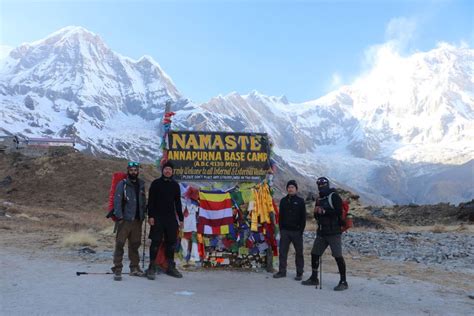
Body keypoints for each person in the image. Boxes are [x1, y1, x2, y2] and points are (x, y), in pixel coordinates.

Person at [301, 176, 348, 291]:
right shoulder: (319, 199)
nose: (321, 187)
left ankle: (343, 281)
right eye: (319, 185)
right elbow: (317, 216)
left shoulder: (334, 196)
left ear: (327, 184)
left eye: (323, 184)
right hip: (322, 232)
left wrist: (324, 211)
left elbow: (337, 211)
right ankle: (314, 277)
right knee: (315, 254)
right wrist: (317, 212)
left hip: (334, 232)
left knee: (337, 256)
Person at [146, 161, 184, 280]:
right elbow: (151, 201)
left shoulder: (175, 185)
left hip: (171, 218)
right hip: (157, 217)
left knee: (171, 242)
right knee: (156, 242)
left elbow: (178, 203)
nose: (168, 171)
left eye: (170, 170)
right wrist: (150, 216)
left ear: (172, 172)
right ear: (162, 170)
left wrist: (181, 218)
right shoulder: (156, 183)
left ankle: (170, 267)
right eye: (166, 169)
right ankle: (151, 267)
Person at [111, 161, 147, 281]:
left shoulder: (141, 184)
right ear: (128, 171)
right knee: (120, 244)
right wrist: (119, 217)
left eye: (135, 170)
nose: (133, 172)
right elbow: (117, 200)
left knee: (135, 245)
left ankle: (134, 268)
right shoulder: (123, 184)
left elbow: (143, 201)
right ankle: (117, 268)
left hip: (137, 220)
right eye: (131, 170)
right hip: (125, 220)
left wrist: (144, 213)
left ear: (138, 171)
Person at [273, 180, 306, 280]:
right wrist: (281, 229)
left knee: (299, 253)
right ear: (287, 189)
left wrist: (301, 230)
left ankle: (299, 273)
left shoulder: (300, 201)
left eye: (292, 187)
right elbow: (281, 216)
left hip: (297, 231)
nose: (290, 189)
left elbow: (303, 217)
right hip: (285, 231)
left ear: (296, 189)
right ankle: (282, 271)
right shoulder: (283, 201)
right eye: (289, 187)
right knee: (283, 252)